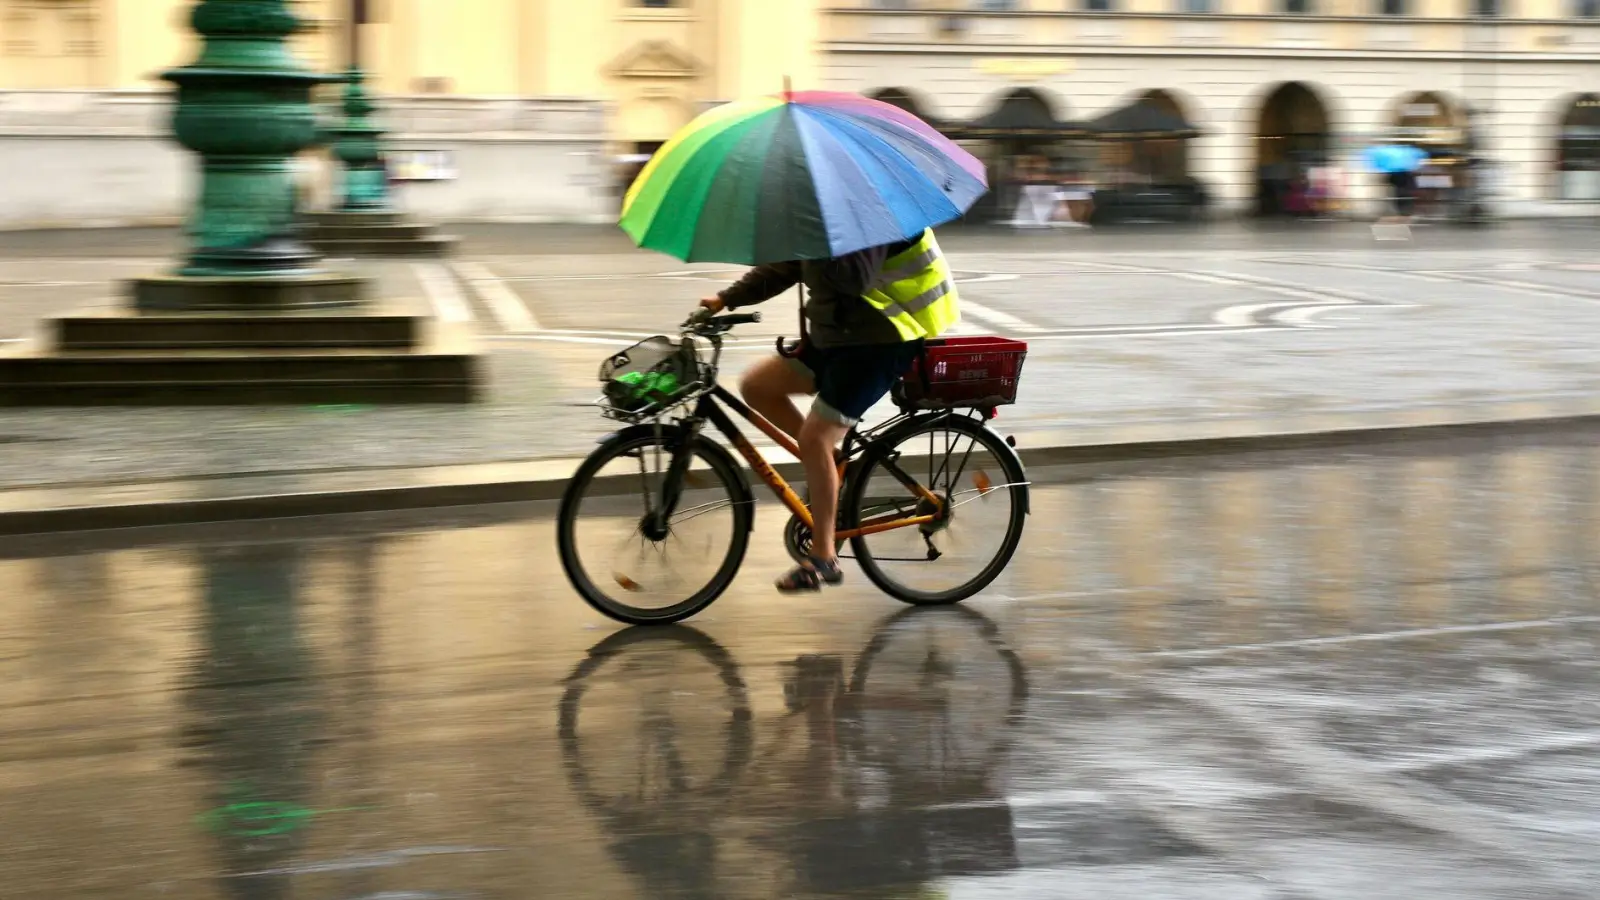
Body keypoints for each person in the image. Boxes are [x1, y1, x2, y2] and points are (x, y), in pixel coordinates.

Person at [699, 228, 959, 593]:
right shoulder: (822, 213)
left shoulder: (871, 215)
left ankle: (823, 558)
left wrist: (820, 239)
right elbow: (785, 268)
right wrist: (725, 298)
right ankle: (832, 466)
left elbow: (853, 278)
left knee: (814, 438)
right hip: (837, 335)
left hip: (881, 340)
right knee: (757, 386)